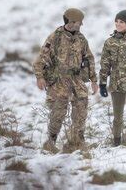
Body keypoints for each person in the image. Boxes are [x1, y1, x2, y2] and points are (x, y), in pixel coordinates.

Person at [33, 8, 98, 153]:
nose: (81, 25)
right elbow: (41, 59)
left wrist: (93, 80)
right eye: (79, 22)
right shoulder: (55, 37)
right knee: (58, 112)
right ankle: (50, 142)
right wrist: (40, 77)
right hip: (59, 80)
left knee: (81, 109)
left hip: (76, 79)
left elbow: (89, 59)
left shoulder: (81, 39)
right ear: (70, 21)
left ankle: (77, 141)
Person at [99, 9, 126, 148]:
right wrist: (102, 83)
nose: (118, 24)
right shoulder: (109, 42)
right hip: (116, 84)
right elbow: (105, 64)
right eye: (116, 21)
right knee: (118, 117)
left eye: (121, 22)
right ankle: (116, 144)